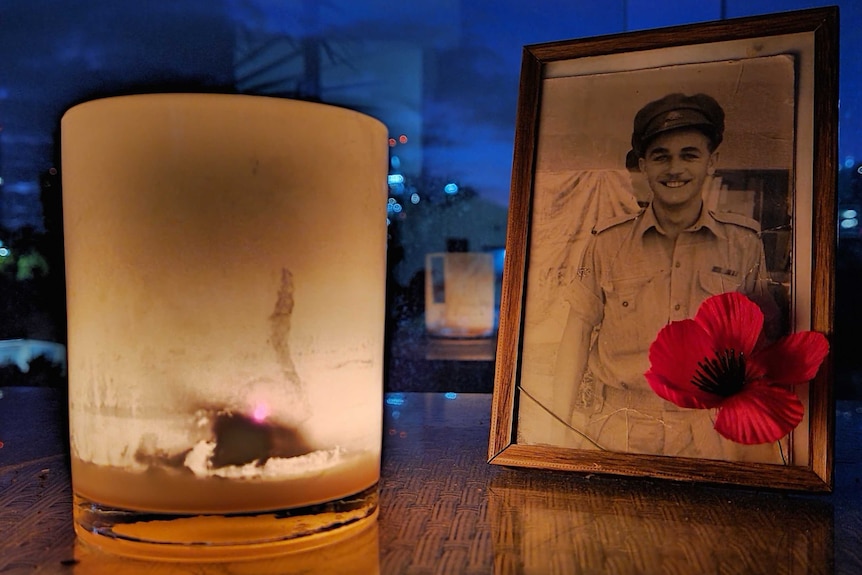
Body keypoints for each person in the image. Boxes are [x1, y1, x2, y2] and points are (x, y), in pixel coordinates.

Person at [549, 92, 780, 461]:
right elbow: (575, 338)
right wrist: (556, 431)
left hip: (711, 435)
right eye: (661, 156)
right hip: (619, 432)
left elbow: (758, 350)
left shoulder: (743, 244)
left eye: (689, 154)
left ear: (711, 162)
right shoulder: (607, 244)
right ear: (643, 165)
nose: (675, 169)